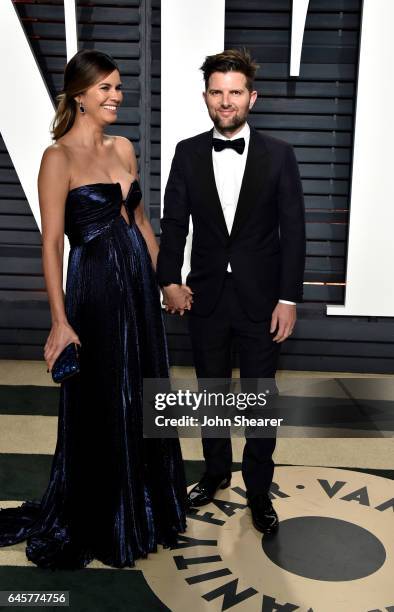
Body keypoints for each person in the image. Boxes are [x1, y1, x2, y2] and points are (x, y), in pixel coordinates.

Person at [0, 49, 187, 569]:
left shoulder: (124, 148)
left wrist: (167, 282)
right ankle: (105, 516)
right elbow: (52, 243)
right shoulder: (56, 158)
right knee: (105, 397)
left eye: (118, 87)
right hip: (96, 292)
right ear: (79, 95)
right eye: (105, 87)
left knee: (145, 390)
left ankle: (148, 508)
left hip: (138, 295)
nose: (115, 96)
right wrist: (60, 321)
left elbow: (143, 225)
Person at [157, 49, 305, 535]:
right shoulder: (187, 152)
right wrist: (168, 281)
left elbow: (294, 231)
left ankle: (259, 492)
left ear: (251, 97)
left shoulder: (280, 155)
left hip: (263, 301)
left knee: (261, 399)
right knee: (211, 392)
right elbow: (174, 224)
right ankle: (217, 471)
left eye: (235, 92)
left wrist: (289, 298)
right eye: (217, 92)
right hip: (205, 298)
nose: (226, 102)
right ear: (206, 97)